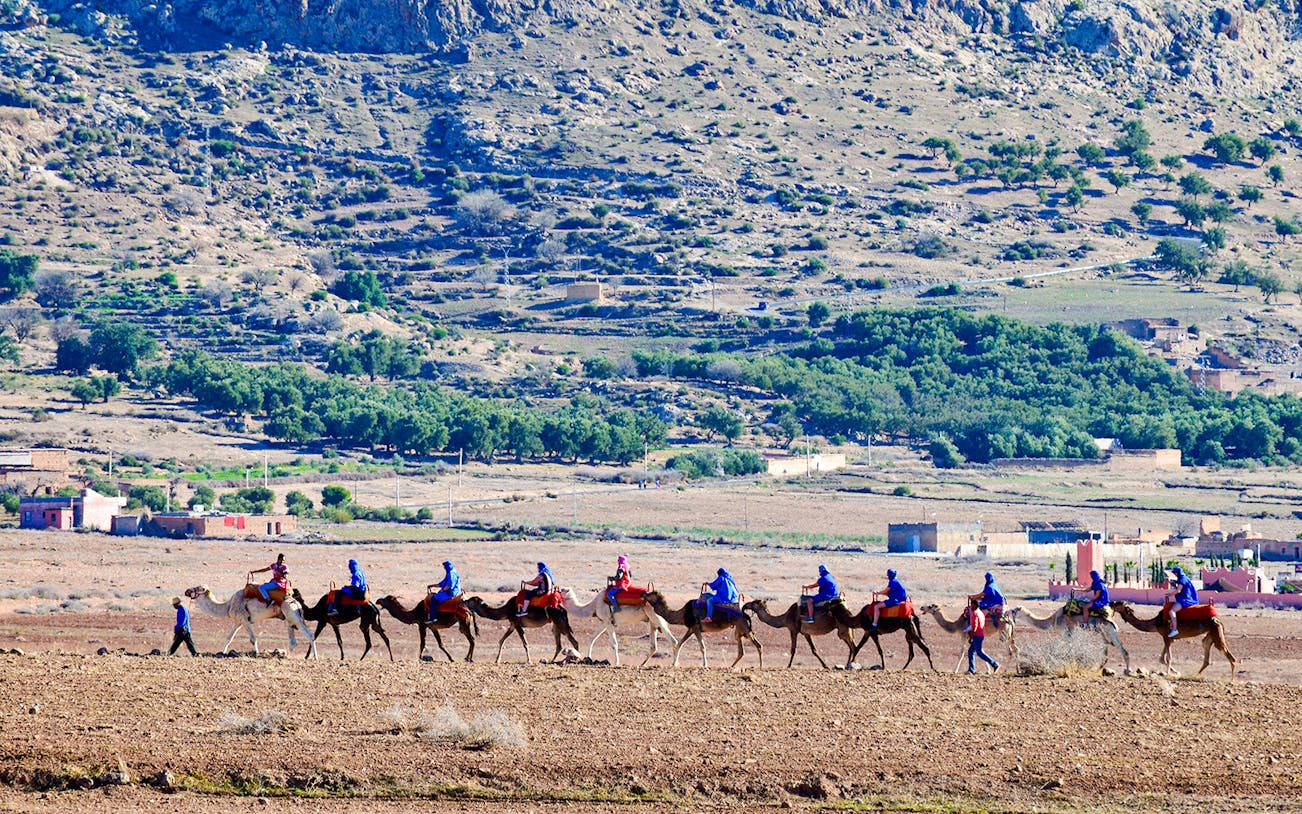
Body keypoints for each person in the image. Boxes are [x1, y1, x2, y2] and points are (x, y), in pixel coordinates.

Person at [963, 598, 999, 674]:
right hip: (980, 634)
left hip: (977, 635)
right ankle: (971, 670)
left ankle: (994, 664)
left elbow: (974, 626)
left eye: (972, 605)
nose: (971, 607)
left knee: (979, 653)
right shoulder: (980, 613)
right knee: (971, 651)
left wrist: (971, 636)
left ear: (975, 605)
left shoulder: (975, 614)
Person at [1165, 566, 1198, 638]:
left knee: (1172, 611)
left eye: (1174, 573)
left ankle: (1174, 629)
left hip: (1185, 600)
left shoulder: (1182, 579)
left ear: (1177, 573)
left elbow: (1178, 590)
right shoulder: (1185, 578)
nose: (1174, 574)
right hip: (1187, 598)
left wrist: (1170, 594)